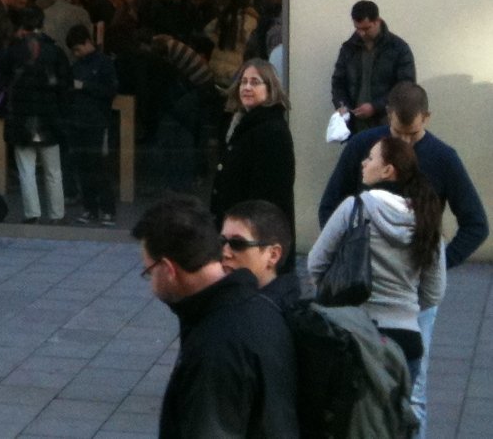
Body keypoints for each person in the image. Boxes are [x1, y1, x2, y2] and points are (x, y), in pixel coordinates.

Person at [317, 80, 485, 435]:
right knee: (360, 389)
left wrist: (434, 262)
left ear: (427, 118)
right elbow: (331, 205)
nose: (405, 143)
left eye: (413, 134)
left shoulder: (442, 157)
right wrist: (348, 258)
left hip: (409, 297)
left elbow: (476, 224)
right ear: (388, 116)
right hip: (371, 294)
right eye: (397, 133)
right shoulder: (364, 148)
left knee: (412, 392)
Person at [132, 195, 299, 439]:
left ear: (168, 269)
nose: (150, 285)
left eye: (148, 272)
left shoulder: (216, 345)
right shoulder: (259, 306)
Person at [309, 135, 445, 420]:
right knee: (395, 424)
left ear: (388, 170)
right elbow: (434, 292)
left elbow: (315, 263)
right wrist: (405, 306)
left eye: (371, 158)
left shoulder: (354, 208)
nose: (363, 162)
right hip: (407, 342)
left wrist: (338, 301)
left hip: (356, 336)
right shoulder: (428, 219)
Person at [0, 6, 72, 226]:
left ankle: (32, 213)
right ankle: (57, 214)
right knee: (53, 170)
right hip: (49, 117)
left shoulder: (13, 51)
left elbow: (1, 81)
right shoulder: (55, 51)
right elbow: (65, 85)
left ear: (22, 26)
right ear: (42, 24)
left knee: (26, 169)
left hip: (21, 118)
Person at [210, 59, 294, 228]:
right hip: (234, 227)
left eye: (255, 82)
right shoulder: (239, 124)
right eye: (244, 82)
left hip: (255, 234)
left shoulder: (272, 131)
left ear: (270, 89)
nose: (247, 87)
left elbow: (269, 193)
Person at [330, 0, 417, 132]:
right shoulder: (348, 48)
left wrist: (375, 107)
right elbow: (338, 82)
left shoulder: (399, 48)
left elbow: (405, 88)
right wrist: (341, 105)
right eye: (357, 28)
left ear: (378, 21)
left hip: (388, 125)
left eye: (366, 28)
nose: (361, 33)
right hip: (355, 126)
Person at [63, 25, 117, 225]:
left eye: (78, 49)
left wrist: (83, 86)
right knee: (83, 167)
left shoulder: (104, 64)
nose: (76, 54)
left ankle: (107, 208)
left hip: (95, 121)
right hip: (78, 121)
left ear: (87, 42)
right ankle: (90, 208)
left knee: (97, 167)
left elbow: (110, 90)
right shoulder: (77, 66)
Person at [219, 199, 300, 312]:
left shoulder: (274, 316)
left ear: (273, 255)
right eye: (221, 241)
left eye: (237, 243)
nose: (225, 253)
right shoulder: (227, 298)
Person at [204, 0, 257, 88]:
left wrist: (218, 40)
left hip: (215, 65)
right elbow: (248, 40)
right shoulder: (250, 20)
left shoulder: (225, 16)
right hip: (233, 69)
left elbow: (207, 29)